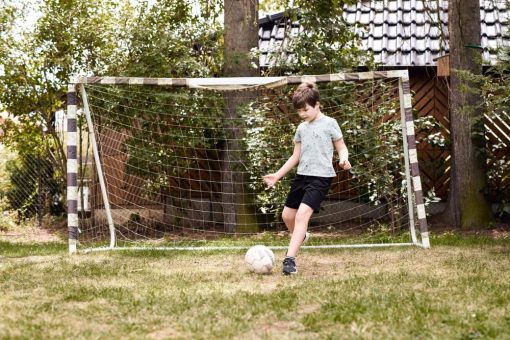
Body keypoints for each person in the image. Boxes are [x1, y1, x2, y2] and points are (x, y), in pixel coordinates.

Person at [263, 82, 351, 275]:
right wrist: (277, 175)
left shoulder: (330, 123)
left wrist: (344, 159)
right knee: (287, 216)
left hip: (321, 178)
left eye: (306, 110)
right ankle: (300, 236)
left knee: (302, 215)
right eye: (299, 112)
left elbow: (341, 147)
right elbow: (295, 156)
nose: (303, 114)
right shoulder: (302, 128)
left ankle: (289, 260)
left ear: (317, 104)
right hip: (302, 176)